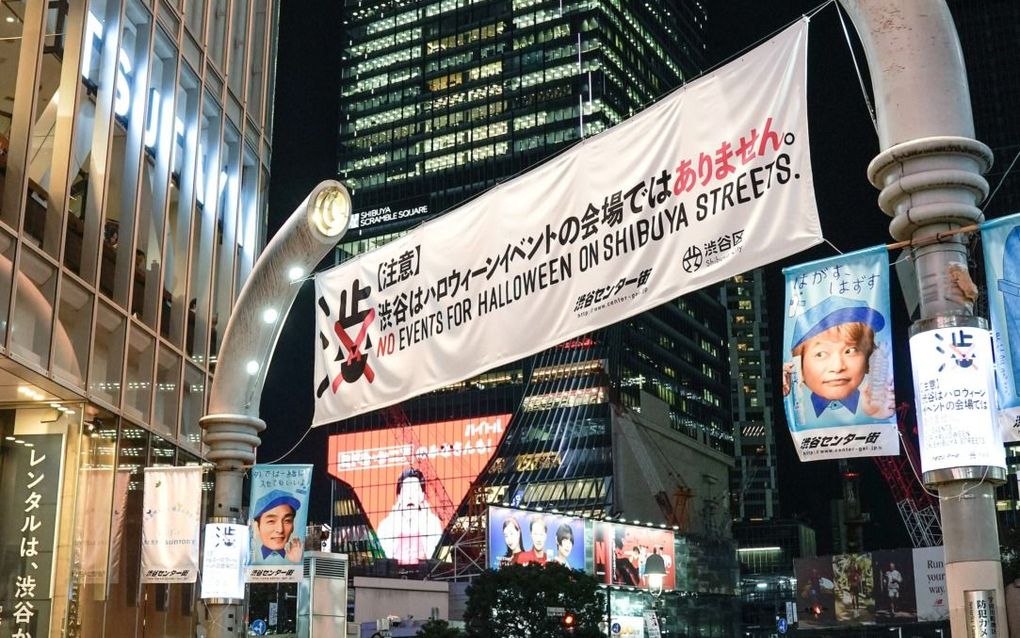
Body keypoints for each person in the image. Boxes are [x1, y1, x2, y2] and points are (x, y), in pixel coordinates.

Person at [783, 297, 894, 424]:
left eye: (850, 351)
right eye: (821, 354)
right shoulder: (796, 409)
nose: (837, 367)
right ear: (799, 365)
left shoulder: (880, 402)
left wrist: (882, 417)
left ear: (868, 359)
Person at [377, 468, 444, 565]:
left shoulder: (433, 523)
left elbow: (434, 558)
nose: (410, 496)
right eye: (406, 491)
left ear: (422, 495)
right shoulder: (385, 526)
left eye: (415, 490)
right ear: (399, 497)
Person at [253, 489, 304, 563]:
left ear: (292, 526)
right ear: (257, 527)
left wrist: (296, 562)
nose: (280, 530)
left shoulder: (297, 558)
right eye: (271, 521)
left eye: (287, 521)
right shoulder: (251, 557)